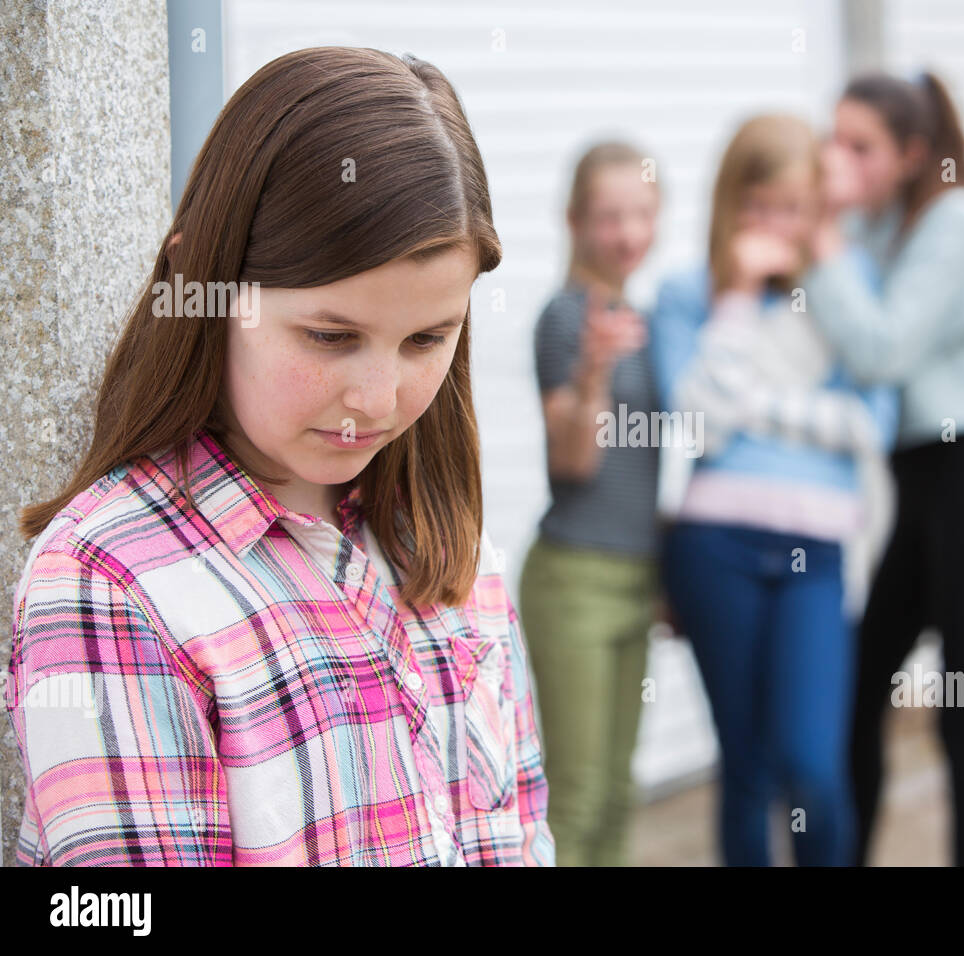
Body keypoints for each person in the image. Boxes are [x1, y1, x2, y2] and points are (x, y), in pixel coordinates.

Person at [5, 47, 554, 867]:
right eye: (329, 336)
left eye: (426, 338)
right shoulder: (109, 583)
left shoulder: (445, 538)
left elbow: (525, 835)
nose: (376, 396)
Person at [804, 70, 964, 866]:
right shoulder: (873, 226)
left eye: (859, 146)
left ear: (911, 154)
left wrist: (824, 240)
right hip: (915, 484)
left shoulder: (954, 217)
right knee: (860, 691)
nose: (840, 159)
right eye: (832, 139)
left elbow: (882, 349)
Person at [650, 114, 898, 866]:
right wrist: (737, 293)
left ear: (818, 208)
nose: (774, 225)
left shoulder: (846, 288)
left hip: (816, 553)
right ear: (732, 204)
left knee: (812, 769)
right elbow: (697, 422)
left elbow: (871, 422)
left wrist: (756, 407)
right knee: (748, 771)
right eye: (759, 206)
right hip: (713, 548)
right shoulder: (688, 293)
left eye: (793, 207)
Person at [518, 141, 663, 866]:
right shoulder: (564, 319)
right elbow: (573, 461)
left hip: (636, 578)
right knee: (573, 799)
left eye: (640, 213)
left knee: (615, 792)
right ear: (575, 220)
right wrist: (595, 368)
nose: (626, 232)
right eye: (609, 216)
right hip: (573, 580)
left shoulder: (645, 316)